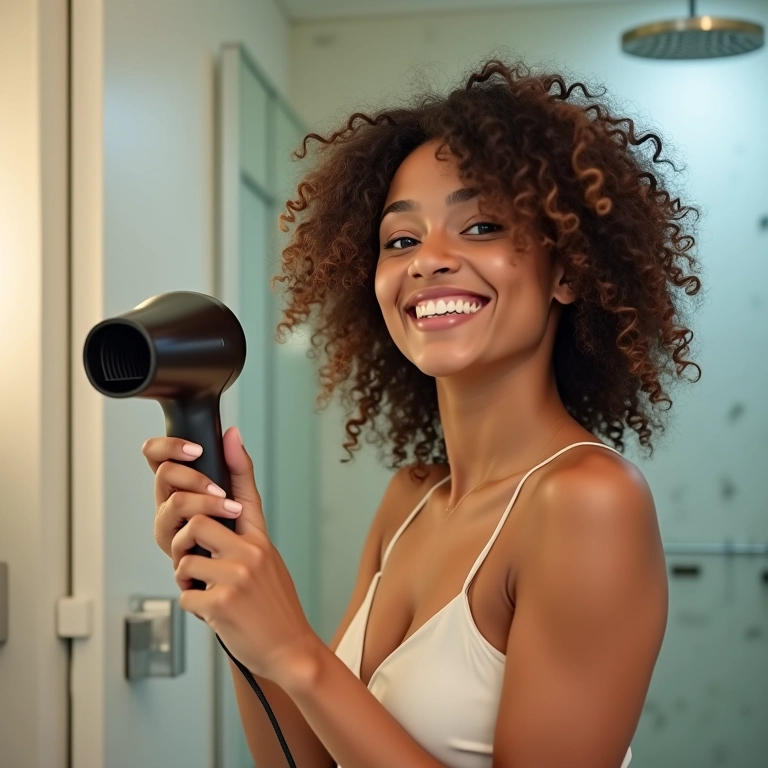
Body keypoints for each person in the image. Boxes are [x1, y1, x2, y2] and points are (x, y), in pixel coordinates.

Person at [142, 59, 702, 768]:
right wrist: (240, 603)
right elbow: (304, 763)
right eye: (400, 240)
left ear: (568, 271)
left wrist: (296, 649)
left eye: (482, 226)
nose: (427, 260)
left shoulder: (589, 501)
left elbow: (308, 670)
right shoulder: (409, 500)